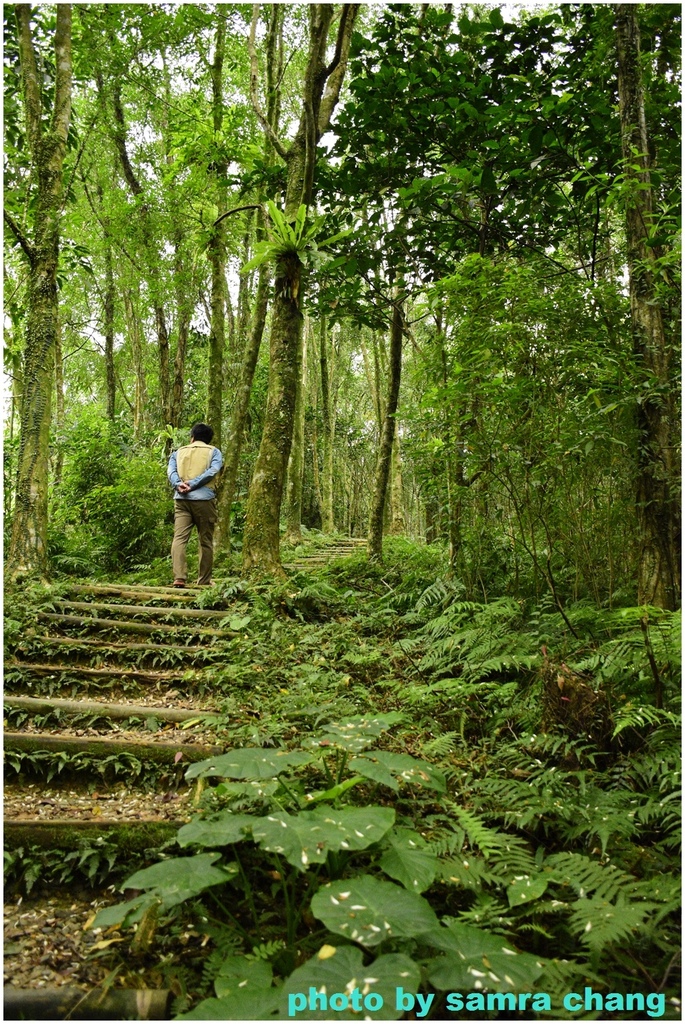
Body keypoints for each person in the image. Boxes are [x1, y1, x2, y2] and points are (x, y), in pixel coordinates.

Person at [167, 423, 223, 587]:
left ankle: (179, 577)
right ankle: (204, 580)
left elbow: (171, 471)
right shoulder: (214, 451)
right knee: (205, 540)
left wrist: (179, 484)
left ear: (192, 437)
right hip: (204, 500)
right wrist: (194, 484)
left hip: (181, 499)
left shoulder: (178, 452)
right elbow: (213, 471)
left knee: (179, 538)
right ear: (209, 439)